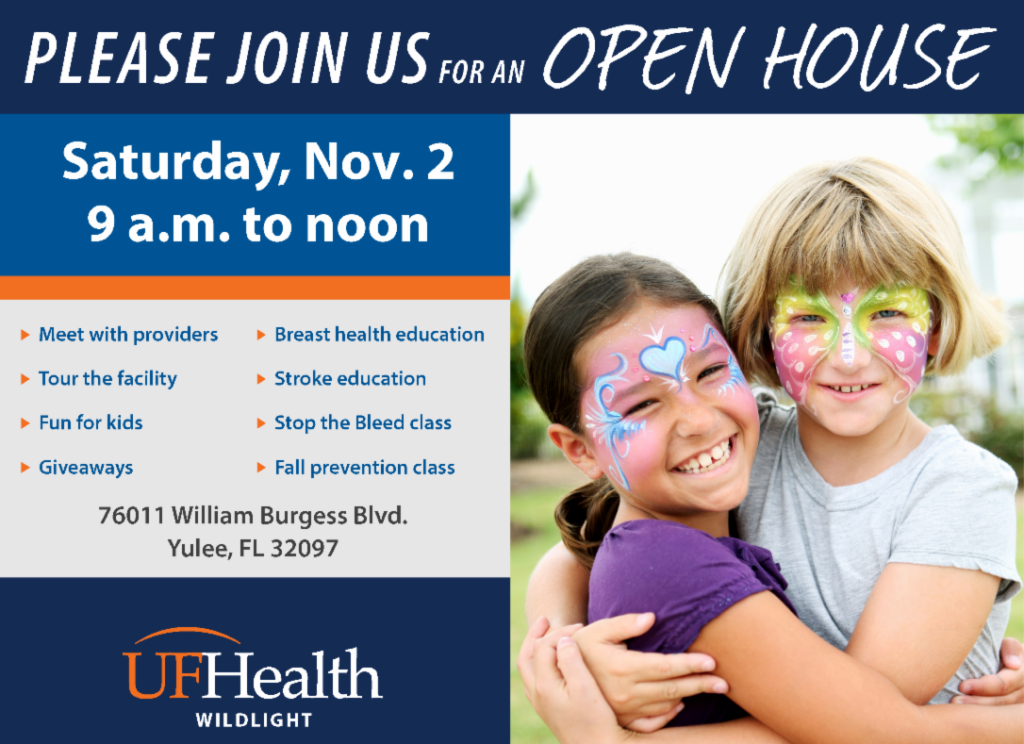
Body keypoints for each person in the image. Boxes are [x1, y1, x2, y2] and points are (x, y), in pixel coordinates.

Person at [523, 162, 1022, 729]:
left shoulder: (961, 488)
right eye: (807, 317)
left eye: (886, 312)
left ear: (933, 326)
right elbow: (584, 550)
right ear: (761, 332)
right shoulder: (739, 440)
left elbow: (858, 724)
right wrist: (570, 652)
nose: (850, 355)